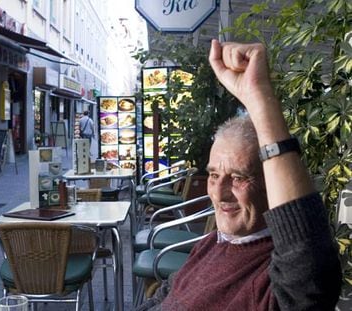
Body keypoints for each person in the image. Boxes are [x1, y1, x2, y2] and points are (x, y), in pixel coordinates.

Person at [136, 40, 342, 310]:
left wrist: (259, 97)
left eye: (238, 177)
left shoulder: (278, 281)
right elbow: (166, 295)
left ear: (273, 185)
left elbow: (307, 259)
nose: (219, 192)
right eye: (213, 175)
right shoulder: (214, 242)